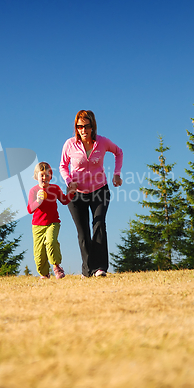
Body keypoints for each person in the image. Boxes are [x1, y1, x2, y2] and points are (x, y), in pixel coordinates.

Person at [59, 110, 123, 278]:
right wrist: (68, 181)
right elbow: (62, 166)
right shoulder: (70, 144)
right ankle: (87, 270)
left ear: (92, 126)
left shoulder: (102, 142)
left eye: (86, 126)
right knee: (83, 232)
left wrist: (117, 173)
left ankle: (100, 267)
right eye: (80, 126)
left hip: (99, 190)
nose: (83, 130)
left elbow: (118, 152)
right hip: (76, 193)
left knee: (99, 223)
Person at [27, 162, 75, 279]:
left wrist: (72, 192)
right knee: (39, 254)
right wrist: (38, 201)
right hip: (37, 226)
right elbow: (29, 209)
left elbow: (64, 200)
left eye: (47, 175)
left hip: (53, 223)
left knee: (51, 242)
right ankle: (44, 274)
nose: (44, 178)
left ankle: (57, 267)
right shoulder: (33, 191)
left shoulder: (55, 188)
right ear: (36, 176)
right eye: (41, 175)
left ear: (51, 176)